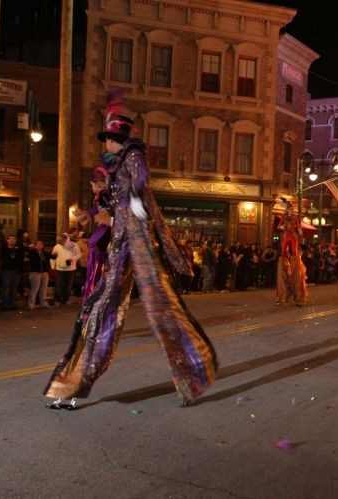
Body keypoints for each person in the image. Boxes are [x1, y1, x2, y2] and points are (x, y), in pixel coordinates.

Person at [44, 89, 218, 409]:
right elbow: (113, 201)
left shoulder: (134, 157)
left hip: (134, 240)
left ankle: (192, 374)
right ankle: (70, 384)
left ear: (120, 139)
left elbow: (139, 187)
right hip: (121, 243)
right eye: (105, 138)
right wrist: (91, 212)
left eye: (110, 138)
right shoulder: (117, 166)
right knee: (99, 308)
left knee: (141, 306)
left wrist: (134, 210)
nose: (106, 144)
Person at [77, 159, 114, 299]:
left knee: (95, 251)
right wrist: (85, 215)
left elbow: (106, 213)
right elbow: (92, 212)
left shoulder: (104, 195)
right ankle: (93, 291)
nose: (90, 185)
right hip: (101, 237)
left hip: (103, 236)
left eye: (91, 183)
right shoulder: (100, 196)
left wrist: (103, 216)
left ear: (97, 183)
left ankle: (93, 292)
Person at [50, 233, 81, 306]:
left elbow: (79, 254)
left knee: (68, 286)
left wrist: (73, 259)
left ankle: (66, 299)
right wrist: (52, 266)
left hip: (70, 269)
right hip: (60, 269)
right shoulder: (57, 247)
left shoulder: (74, 245)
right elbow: (53, 257)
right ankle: (58, 299)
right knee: (59, 285)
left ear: (65, 240)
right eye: (59, 242)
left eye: (61, 242)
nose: (60, 243)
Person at [27, 240, 52, 309]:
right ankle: (31, 303)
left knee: (44, 288)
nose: (39, 245)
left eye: (41, 244)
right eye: (38, 244)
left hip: (44, 272)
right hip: (35, 272)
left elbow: (52, 257)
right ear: (35, 245)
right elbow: (28, 257)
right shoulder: (32, 252)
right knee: (35, 288)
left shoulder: (45, 253)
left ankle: (43, 302)